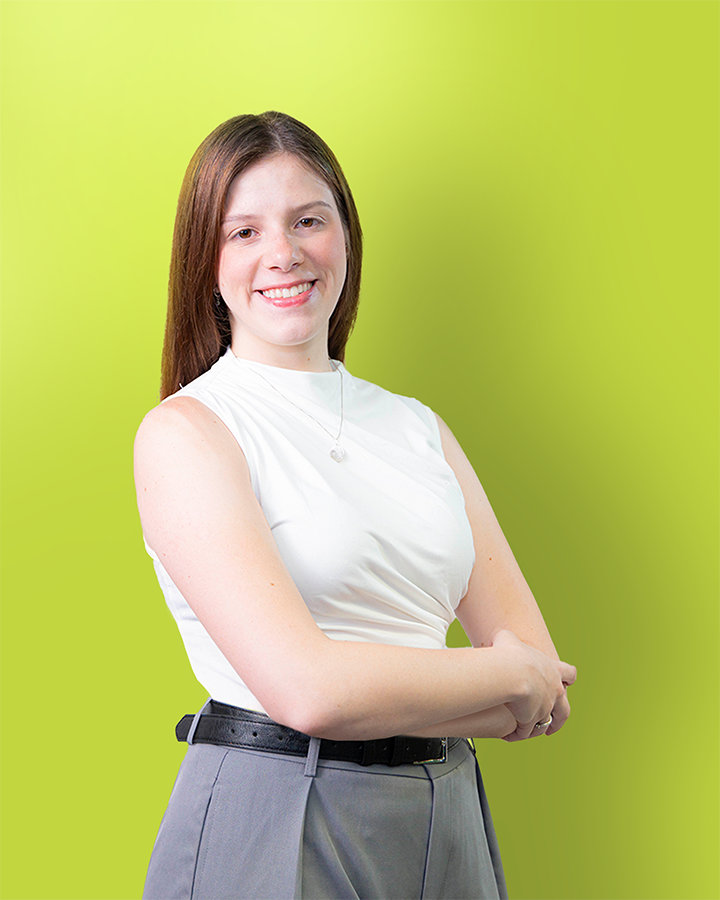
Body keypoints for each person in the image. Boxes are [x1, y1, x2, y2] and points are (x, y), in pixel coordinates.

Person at [134, 111, 577, 900]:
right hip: (276, 805)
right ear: (206, 260)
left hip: (446, 813)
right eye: (244, 232)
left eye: (309, 220)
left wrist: (510, 679)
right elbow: (309, 692)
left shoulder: (418, 427)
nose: (284, 253)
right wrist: (501, 677)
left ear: (346, 235)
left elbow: (540, 686)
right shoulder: (188, 432)